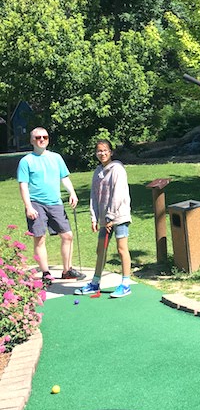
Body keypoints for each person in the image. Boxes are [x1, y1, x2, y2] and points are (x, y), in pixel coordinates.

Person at [17, 127, 85, 286]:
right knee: (39, 239)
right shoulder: (26, 161)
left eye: (45, 137)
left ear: (48, 139)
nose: (41, 139)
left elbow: (65, 177)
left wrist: (72, 193)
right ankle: (46, 273)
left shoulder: (56, 158)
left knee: (67, 235)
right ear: (32, 140)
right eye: (38, 137)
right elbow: (23, 185)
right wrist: (28, 206)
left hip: (56, 203)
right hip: (36, 203)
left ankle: (67, 270)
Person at [75, 139, 132, 298]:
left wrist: (110, 217)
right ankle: (95, 282)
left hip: (119, 216)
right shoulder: (97, 172)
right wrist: (94, 217)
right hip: (104, 219)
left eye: (105, 150)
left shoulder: (117, 169)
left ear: (111, 152)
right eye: (99, 151)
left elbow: (118, 195)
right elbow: (94, 195)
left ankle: (126, 284)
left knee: (121, 249)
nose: (102, 153)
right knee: (101, 250)